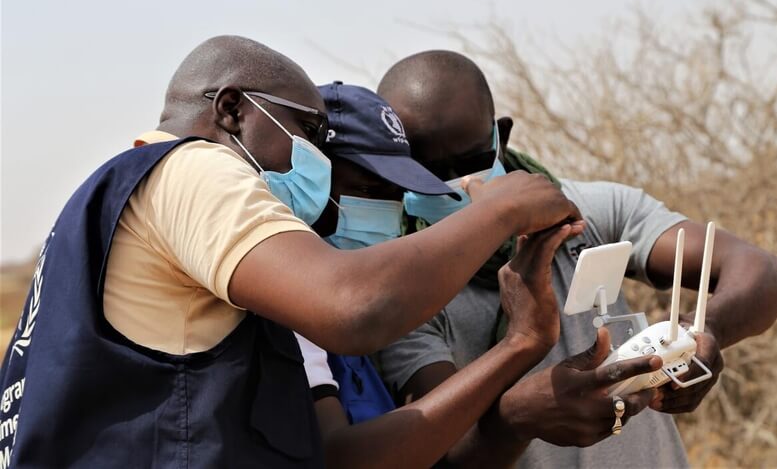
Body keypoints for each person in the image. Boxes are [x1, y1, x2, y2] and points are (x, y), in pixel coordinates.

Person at [0, 37, 583, 468]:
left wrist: (522, 342)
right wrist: (498, 210)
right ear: (231, 111)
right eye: (306, 135)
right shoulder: (192, 168)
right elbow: (355, 307)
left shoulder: (109, 206)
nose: (318, 169)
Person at [375, 50, 777, 468]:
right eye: (429, 170)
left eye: (471, 162)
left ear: (500, 136)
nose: (461, 185)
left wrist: (699, 334)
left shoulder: (586, 214)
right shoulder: (405, 289)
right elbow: (444, 450)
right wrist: (515, 419)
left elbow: (767, 274)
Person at [291, 82, 660, 469]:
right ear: (312, 180)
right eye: (366, 188)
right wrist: (519, 368)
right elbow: (348, 458)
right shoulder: (301, 310)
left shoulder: (586, 214)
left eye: (394, 194)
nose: (384, 211)